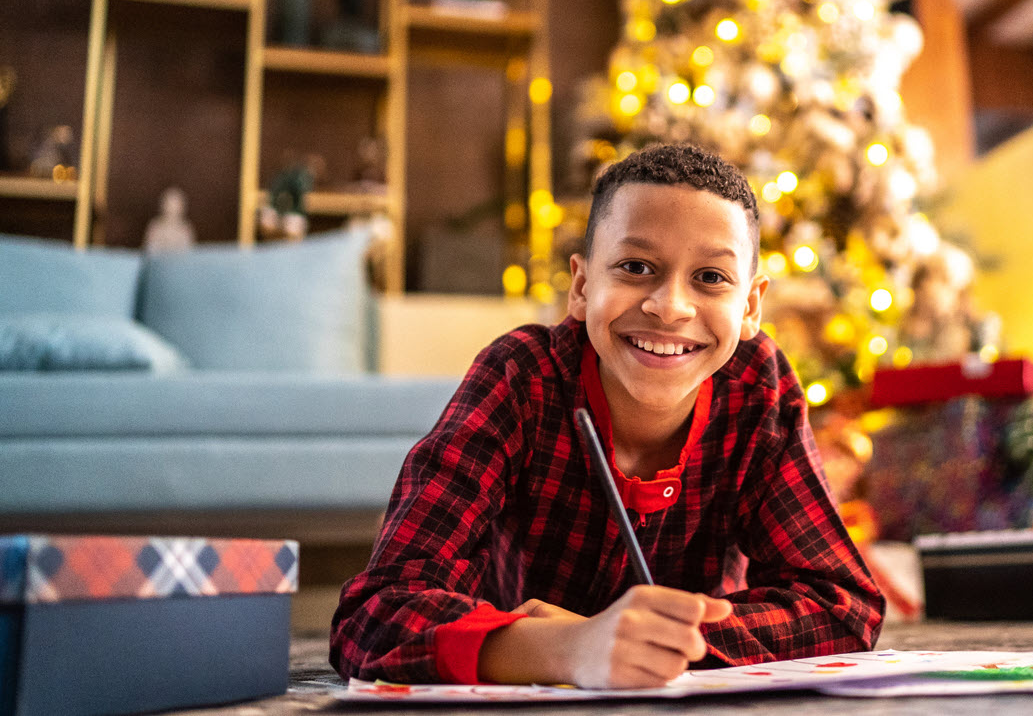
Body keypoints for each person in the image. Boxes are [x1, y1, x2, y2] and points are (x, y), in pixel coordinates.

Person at [330, 143, 883, 689]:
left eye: (711, 278)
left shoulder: (759, 389)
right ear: (581, 285)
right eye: (635, 267)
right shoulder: (520, 377)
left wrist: (660, 645)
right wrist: (568, 649)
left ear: (751, 307)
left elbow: (842, 604)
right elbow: (374, 615)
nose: (670, 307)